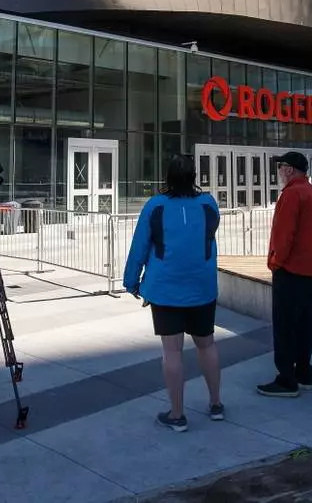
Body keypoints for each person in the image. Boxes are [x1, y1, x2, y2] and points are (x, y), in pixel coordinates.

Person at [123, 154, 223, 432]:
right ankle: (216, 405)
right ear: (194, 177)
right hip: (202, 287)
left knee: (172, 351)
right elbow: (211, 232)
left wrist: (132, 281)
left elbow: (140, 245)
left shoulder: (155, 206)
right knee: (207, 344)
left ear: (167, 177)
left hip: (166, 290)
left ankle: (177, 415)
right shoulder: (208, 203)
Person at [258, 151, 312, 398]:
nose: (278, 173)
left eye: (280, 168)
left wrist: (276, 261)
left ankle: (286, 379)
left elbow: (283, 234)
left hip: (291, 269)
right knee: (303, 322)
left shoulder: (291, 194)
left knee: (285, 325)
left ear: (288, 169)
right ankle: (304, 372)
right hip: (310, 269)